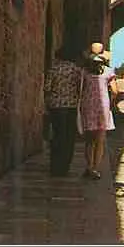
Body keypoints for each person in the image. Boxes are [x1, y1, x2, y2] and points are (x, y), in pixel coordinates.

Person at [77, 43, 118, 180]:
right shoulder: (108, 72)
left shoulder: (84, 71)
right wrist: (111, 101)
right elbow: (115, 91)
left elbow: (80, 89)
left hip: (88, 106)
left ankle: (89, 167)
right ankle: (95, 168)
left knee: (89, 140)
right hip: (102, 108)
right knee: (100, 140)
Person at [43, 45, 82, 176]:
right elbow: (80, 88)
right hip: (71, 106)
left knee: (57, 135)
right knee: (69, 137)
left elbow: (47, 87)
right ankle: (65, 166)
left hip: (55, 106)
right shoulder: (76, 70)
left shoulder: (53, 69)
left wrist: (47, 102)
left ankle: (55, 166)